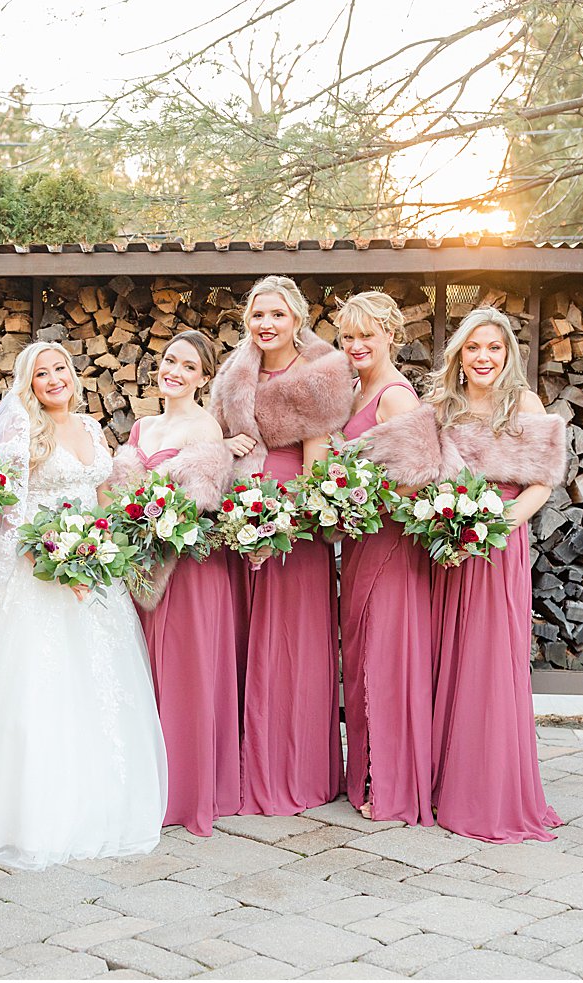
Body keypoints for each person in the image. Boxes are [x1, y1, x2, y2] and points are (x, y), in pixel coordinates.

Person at [0, 341, 167, 869]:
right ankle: (31, 814)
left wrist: (111, 546)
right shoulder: (22, 431)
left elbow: (102, 497)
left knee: (99, 684)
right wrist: (55, 558)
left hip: (93, 569)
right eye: (42, 373)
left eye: (60, 368)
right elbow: (9, 510)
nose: (54, 378)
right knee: (39, 687)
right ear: (27, 384)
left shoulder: (92, 427)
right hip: (38, 570)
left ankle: (101, 803)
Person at [209, 275, 354, 816]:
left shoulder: (320, 376)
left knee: (292, 648)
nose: (265, 324)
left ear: (297, 318)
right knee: (247, 645)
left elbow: (318, 471)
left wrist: (277, 523)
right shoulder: (232, 377)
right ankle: (242, 768)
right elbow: (210, 440)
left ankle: (295, 770)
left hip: (295, 534)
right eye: (257, 315)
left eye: (277, 315)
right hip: (238, 529)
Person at [426, 307, 566, 843]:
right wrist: (446, 519)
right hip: (447, 547)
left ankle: (491, 789)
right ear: (459, 355)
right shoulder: (441, 406)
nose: (484, 357)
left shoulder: (524, 404)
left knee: (489, 659)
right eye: (474, 348)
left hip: (500, 542)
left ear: (508, 355)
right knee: (450, 656)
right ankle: (445, 782)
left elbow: (542, 482)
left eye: (495, 348)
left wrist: (496, 523)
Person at [109, 331, 240, 837]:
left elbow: (199, 505)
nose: (175, 372)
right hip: (143, 565)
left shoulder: (204, 429)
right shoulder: (143, 426)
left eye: (189, 366)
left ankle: (184, 790)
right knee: (144, 672)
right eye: (169, 361)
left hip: (186, 571)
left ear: (204, 378)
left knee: (183, 672)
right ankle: (147, 779)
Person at [334, 293, 439, 826]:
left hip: (391, 546)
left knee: (386, 658)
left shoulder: (396, 396)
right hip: (359, 541)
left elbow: (422, 478)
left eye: (366, 336)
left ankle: (392, 784)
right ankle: (367, 772)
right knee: (361, 657)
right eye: (347, 336)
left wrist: (362, 494)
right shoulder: (355, 389)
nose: (355, 346)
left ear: (390, 337)